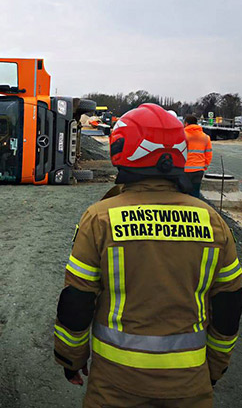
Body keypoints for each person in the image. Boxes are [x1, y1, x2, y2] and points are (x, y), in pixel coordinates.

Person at [54, 103, 242, 408]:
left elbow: (77, 300)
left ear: (121, 151)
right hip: (189, 387)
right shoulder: (214, 223)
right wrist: (216, 368)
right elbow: (229, 309)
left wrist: (70, 358)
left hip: (114, 387)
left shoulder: (100, 219)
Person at [184, 114, 213, 198]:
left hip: (185, 170)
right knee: (195, 193)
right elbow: (209, 154)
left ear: (186, 123)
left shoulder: (183, 135)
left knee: (184, 193)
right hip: (199, 169)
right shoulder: (206, 137)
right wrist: (204, 166)